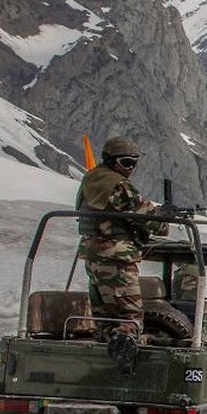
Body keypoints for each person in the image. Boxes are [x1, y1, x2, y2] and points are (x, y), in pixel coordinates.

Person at [75, 136, 166, 375]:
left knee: (104, 318)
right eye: (126, 163)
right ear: (111, 161)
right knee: (130, 317)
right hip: (117, 258)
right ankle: (127, 374)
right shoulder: (118, 186)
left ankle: (102, 371)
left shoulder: (90, 180)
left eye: (134, 163)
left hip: (93, 257)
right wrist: (165, 216)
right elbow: (149, 218)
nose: (131, 169)